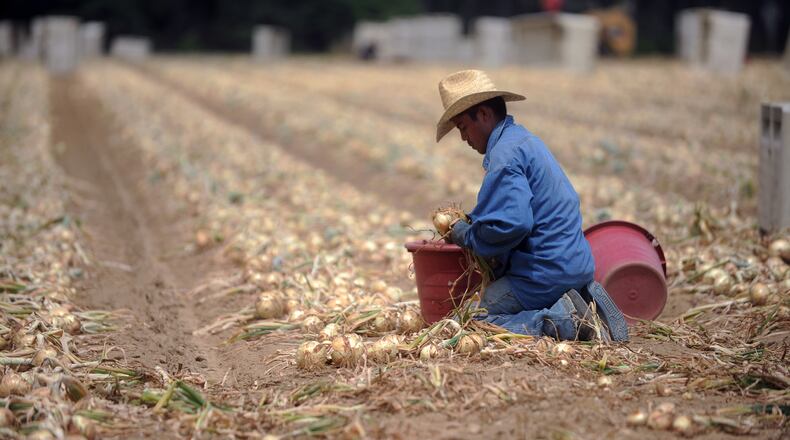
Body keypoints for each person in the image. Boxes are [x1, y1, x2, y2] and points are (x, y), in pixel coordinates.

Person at [436, 69, 628, 342]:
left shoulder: (504, 155)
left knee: (471, 319)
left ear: (483, 115)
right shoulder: (525, 141)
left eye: (463, 128)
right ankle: (581, 303)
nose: (463, 138)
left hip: (545, 272)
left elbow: (512, 223)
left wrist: (465, 234)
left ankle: (562, 321)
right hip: (577, 264)